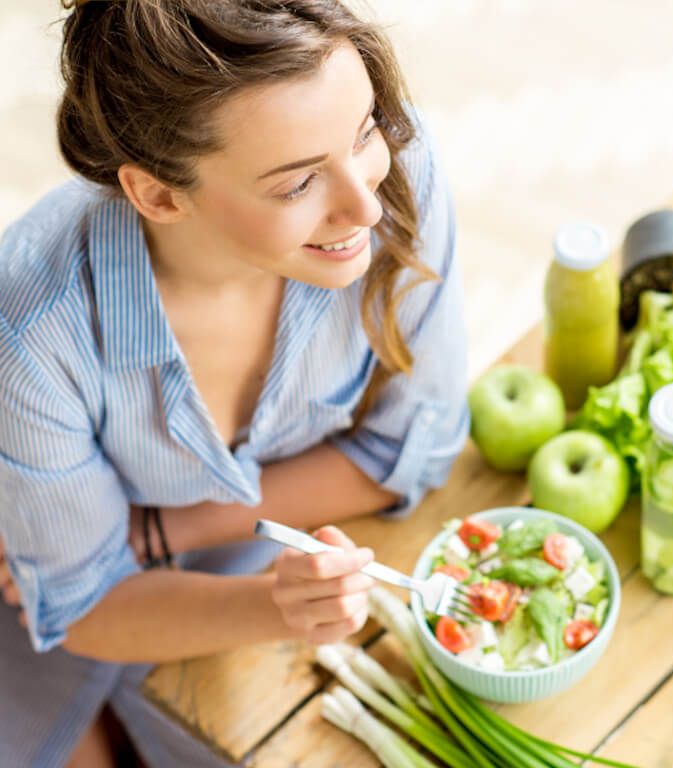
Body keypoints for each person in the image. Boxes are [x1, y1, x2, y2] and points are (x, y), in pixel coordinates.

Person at [0, 0, 468, 765]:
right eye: (296, 186)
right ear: (157, 195)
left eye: (363, 132)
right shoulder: (32, 324)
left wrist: (163, 529)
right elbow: (82, 604)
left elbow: (417, 444)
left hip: (195, 577)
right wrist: (278, 603)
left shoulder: (399, 170)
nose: (365, 203)